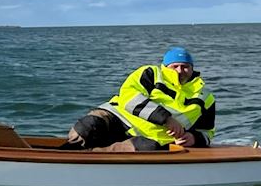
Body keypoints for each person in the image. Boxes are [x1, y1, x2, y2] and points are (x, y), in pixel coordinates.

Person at [60, 46, 216, 152]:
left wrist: (195, 138)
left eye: (185, 66)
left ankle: (88, 159)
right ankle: (64, 153)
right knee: (88, 126)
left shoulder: (205, 96)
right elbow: (129, 97)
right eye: (175, 66)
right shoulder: (150, 74)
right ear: (165, 66)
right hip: (119, 117)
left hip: (151, 138)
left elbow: (207, 131)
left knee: (145, 149)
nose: (180, 71)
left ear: (192, 68)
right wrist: (166, 119)